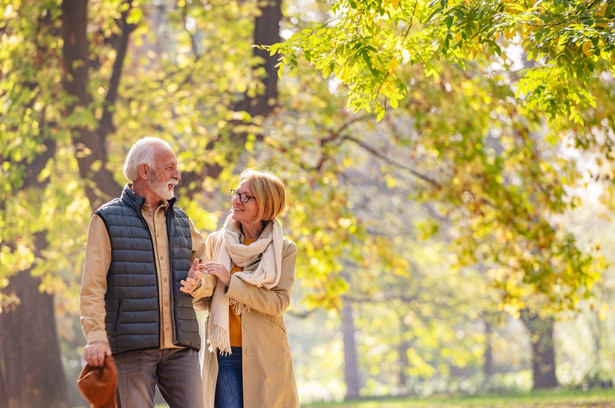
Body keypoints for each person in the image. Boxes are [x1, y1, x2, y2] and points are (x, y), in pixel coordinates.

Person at [79, 137, 216, 408]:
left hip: (181, 347)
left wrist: (200, 283)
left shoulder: (182, 220)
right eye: (170, 167)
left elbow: (209, 271)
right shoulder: (106, 218)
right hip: (131, 348)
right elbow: (93, 285)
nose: (177, 175)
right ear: (145, 171)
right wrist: (95, 337)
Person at [191, 169, 300, 408]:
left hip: (267, 355)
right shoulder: (216, 241)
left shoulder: (285, 249)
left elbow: (278, 304)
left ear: (266, 205)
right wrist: (196, 285)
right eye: (236, 193)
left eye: (246, 197)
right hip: (224, 353)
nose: (236, 200)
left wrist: (231, 281)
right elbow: (204, 301)